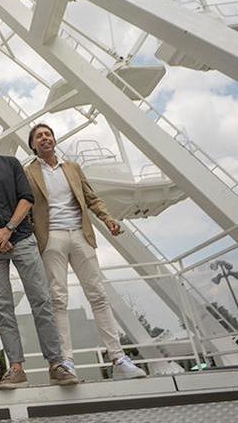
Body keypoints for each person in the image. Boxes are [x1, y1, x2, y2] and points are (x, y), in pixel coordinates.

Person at [0, 120, 78, 388]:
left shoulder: (12, 164)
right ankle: (16, 368)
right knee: (2, 307)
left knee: (41, 299)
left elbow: (26, 198)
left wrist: (8, 230)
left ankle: (56, 363)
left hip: (22, 238)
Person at [24, 123, 147, 381]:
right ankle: (66, 361)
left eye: (48, 134)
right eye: (39, 136)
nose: (45, 138)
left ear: (54, 139)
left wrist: (107, 218)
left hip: (81, 234)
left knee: (98, 295)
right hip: (51, 237)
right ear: (32, 144)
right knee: (58, 299)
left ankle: (118, 358)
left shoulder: (72, 168)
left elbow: (91, 197)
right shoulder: (28, 173)